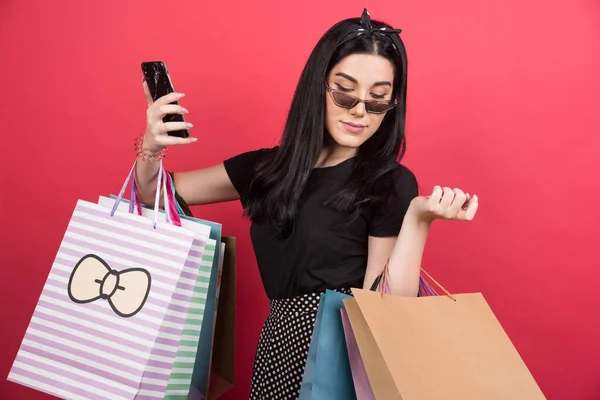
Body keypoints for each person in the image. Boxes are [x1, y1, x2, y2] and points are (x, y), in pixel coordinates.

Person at [134, 9, 479, 400]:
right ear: (319, 85)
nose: (360, 111)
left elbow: (386, 310)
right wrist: (151, 147)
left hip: (346, 365)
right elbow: (153, 196)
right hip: (277, 353)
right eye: (345, 92)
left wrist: (417, 219)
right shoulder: (265, 169)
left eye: (378, 100)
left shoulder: (391, 183)